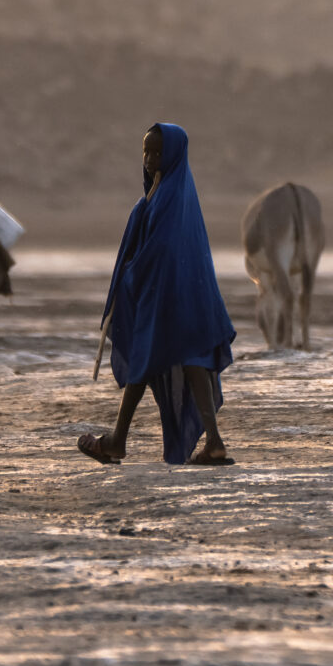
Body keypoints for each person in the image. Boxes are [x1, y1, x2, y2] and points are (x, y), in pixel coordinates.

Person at [79, 124, 238, 465]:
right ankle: (213, 441)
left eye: (157, 152)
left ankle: (117, 441)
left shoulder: (167, 197)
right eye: (146, 152)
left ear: (174, 155)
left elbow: (161, 248)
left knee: (145, 359)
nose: (150, 159)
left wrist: (133, 277)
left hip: (169, 297)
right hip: (187, 297)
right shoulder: (172, 193)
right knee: (192, 360)